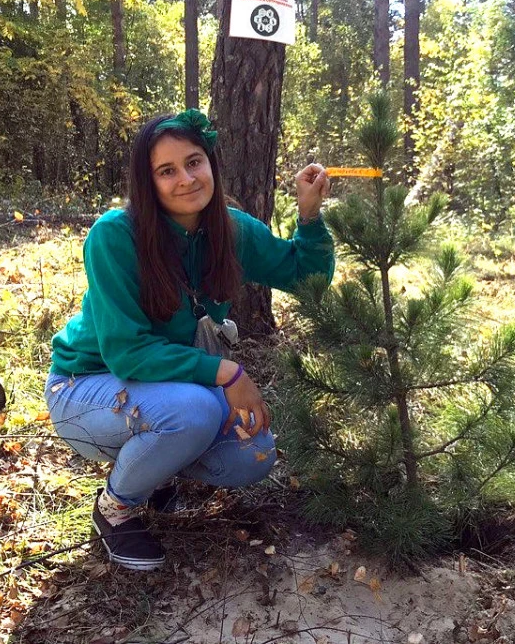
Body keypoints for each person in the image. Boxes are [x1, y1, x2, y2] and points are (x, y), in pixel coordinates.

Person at [44, 109, 334, 570]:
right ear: (149, 182)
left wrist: (309, 214)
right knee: (194, 411)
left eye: (194, 162)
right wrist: (226, 371)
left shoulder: (231, 229)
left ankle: (156, 472)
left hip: (164, 391)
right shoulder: (115, 236)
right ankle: (115, 509)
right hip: (85, 387)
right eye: (167, 170)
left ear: (211, 165)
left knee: (255, 454)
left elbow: (306, 276)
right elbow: (126, 351)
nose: (186, 179)